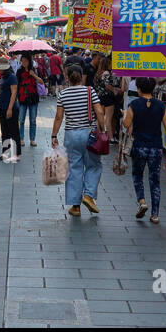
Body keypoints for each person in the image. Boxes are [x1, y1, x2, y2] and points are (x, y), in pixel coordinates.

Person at [51, 64, 104, 216]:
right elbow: (99, 111)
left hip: (71, 135)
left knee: (74, 168)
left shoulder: (63, 94)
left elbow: (59, 117)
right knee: (93, 165)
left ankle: (75, 206)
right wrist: (103, 129)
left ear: (67, 77)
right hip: (89, 134)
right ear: (81, 76)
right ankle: (88, 195)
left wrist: (54, 135)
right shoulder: (90, 91)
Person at [123, 77, 166, 224]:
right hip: (156, 147)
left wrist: (125, 115)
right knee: (155, 180)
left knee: (137, 175)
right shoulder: (161, 105)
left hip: (139, 146)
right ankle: (155, 215)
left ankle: (142, 201)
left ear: (139, 89)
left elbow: (126, 124)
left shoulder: (134, 104)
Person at [0, 55, 20, 161]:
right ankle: (5, 152)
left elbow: (14, 94)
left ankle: (16, 154)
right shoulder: (3, 77)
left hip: (11, 108)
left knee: (13, 131)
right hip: (2, 107)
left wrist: (9, 109)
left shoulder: (12, 77)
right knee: (4, 131)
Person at [95, 54, 125, 136]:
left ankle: (99, 134)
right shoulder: (106, 73)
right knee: (109, 118)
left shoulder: (98, 73)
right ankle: (110, 137)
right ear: (107, 64)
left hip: (100, 96)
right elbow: (107, 85)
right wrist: (115, 90)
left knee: (100, 117)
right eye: (110, 63)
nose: (111, 65)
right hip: (108, 97)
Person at [17, 55, 43, 147]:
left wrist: (33, 75)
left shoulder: (34, 70)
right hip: (22, 98)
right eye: (22, 61)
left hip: (33, 98)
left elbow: (41, 82)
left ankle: (32, 139)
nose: (24, 63)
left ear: (29, 61)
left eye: (25, 61)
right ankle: (21, 138)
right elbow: (17, 85)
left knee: (33, 120)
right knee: (21, 119)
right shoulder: (19, 71)